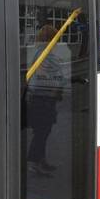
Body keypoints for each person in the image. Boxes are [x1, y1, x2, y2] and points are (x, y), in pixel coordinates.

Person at [24, 24, 67, 177]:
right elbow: (50, 77)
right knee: (41, 132)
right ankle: (34, 163)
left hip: (43, 98)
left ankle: (41, 160)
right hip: (43, 99)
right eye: (55, 38)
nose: (57, 41)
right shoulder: (45, 55)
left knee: (43, 131)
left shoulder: (42, 53)